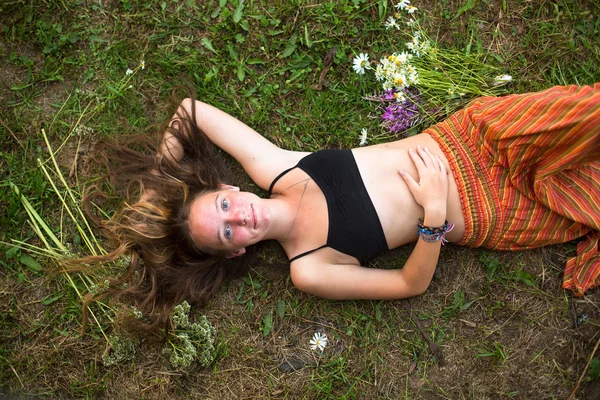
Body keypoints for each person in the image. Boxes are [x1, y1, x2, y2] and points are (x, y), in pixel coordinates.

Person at [77, 84, 600, 330]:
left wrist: (157, 188)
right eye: (230, 234)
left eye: (224, 209)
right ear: (236, 253)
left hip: (477, 137)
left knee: (586, 112)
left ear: (229, 192)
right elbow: (407, 285)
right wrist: (435, 217)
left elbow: (189, 111)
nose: (241, 219)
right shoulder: (309, 267)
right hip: (491, 209)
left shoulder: (277, 167)